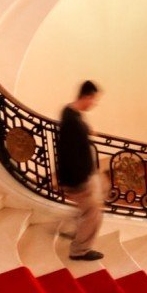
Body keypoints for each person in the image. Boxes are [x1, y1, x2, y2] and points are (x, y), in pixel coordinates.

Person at [56, 80, 105, 263]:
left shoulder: (69, 111)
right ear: (87, 97)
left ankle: (75, 229)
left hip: (84, 173)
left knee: (100, 194)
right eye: (94, 100)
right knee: (94, 214)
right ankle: (79, 250)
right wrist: (81, 182)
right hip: (79, 177)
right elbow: (71, 153)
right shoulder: (73, 123)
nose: (95, 104)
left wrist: (87, 131)